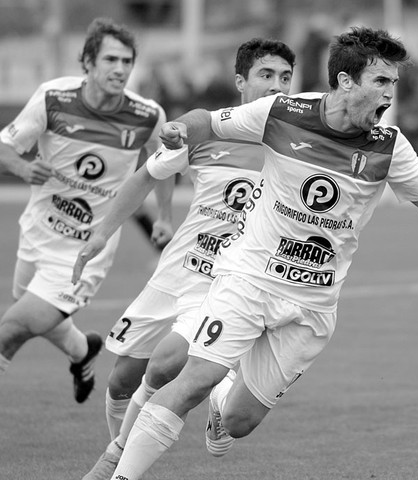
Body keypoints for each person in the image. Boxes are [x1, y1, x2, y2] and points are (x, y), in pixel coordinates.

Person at [74, 26, 418, 479]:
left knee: (239, 422)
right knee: (190, 380)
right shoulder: (282, 112)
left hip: (312, 305)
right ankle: (116, 472)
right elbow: (208, 120)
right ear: (345, 81)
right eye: (381, 82)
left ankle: (224, 405)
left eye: (393, 83)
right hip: (249, 278)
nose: (390, 94)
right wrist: (181, 129)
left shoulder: (389, 146)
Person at [76, 38, 296, 480]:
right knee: (122, 379)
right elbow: (151, 174)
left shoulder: (294, 146)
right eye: (266, 75)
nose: (277, 87)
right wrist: (106, 231)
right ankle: (135, 445)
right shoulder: (210, 130)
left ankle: (115, 462)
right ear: (240, 82)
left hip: (226, 281)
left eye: (285, 78)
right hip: (178, 270)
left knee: (165, 364)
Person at [0, 17, 168, 409]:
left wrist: (165, 217)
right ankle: (81, 350)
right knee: (28, 306)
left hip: (86, 250)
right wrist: (24, 168)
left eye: (127, 61)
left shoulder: (146, 114)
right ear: (87, 62)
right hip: (38, 231)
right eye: (110, 59)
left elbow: (166, 158)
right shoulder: (54, 97)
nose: (120, 69)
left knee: (11, 330)